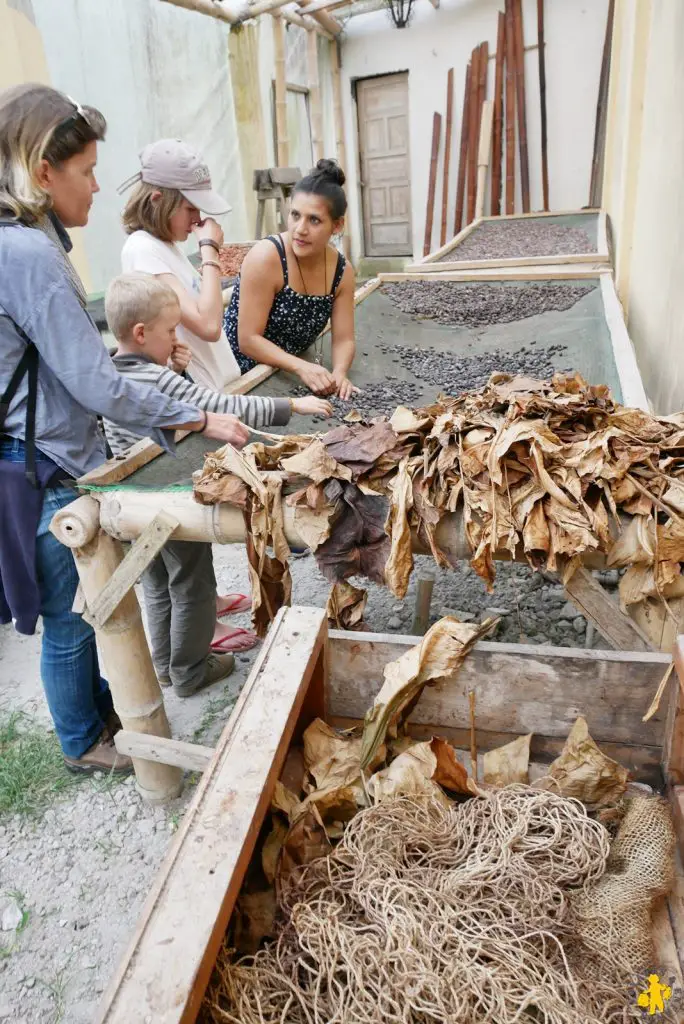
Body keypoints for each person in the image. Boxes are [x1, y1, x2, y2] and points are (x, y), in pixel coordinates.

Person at [0, 84, 250, 776]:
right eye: (85, 170)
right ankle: (83, 739)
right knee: (72, 617)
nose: (98, 184)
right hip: (43, 465)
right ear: (43, 173)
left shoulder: (23, 244)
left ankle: (103, 711)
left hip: (32, 453)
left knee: (86, 611)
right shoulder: (25, 255)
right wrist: (194, 414)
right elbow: (92, 382)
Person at [103, 272, 332, 694]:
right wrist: (291, 403)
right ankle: (191, 670)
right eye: (170, 331)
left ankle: (167, 666)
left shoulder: (108, 373)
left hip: (130, 502)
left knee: (157, 585)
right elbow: (219, 405)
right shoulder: (156, 379)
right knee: (194, 583)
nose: (176, 338)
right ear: (140, 332)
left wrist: (167, 367)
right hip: (165, 501)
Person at [224, 159, 358, 400]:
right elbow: (248, 340)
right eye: (295, 215)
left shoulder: (342, 271)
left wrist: (339, 372)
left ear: (337, 225)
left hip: (284, 374)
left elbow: (344, 338)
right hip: (237, 376)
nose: (300, 229)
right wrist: (301, 366)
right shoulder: (267, 257)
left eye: (314, 220)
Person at [119, 138, 240, 391]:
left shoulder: (165, 246)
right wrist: (209, 250)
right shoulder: (142, 249)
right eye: (190, 209)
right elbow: (208, 325)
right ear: (157, 200)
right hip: (200, 397)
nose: (198, 220)